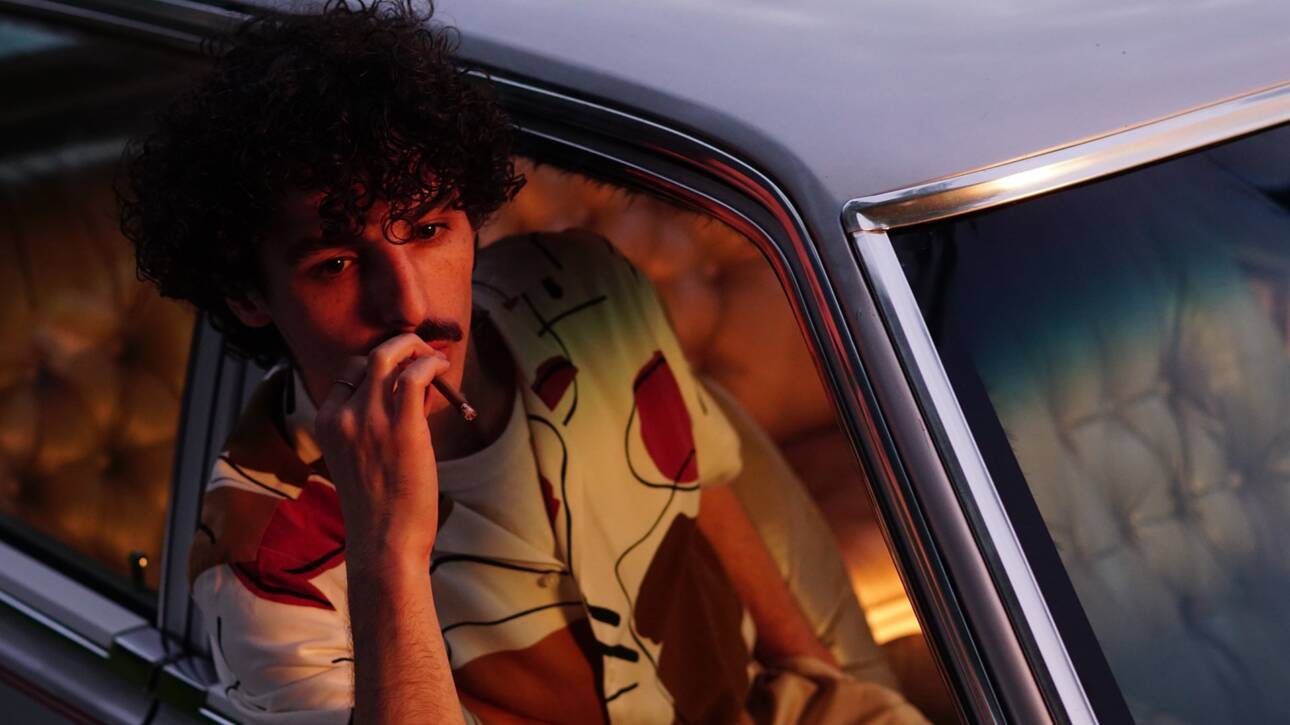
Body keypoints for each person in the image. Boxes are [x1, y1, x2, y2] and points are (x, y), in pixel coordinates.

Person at [118, 2, 926, 722]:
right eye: (335, 263)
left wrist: (825, 680)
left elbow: (704, 491)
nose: (407, 304)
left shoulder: (585, 292)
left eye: (428, 230)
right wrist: (388, 548)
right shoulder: (262, 559)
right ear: (248, 293)